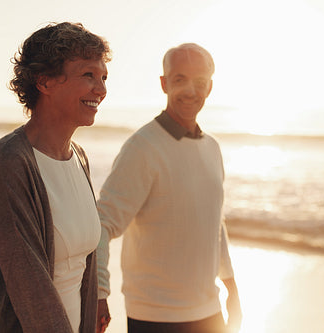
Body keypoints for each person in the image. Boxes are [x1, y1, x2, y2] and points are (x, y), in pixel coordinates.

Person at [0, 22, 111, 333]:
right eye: (88, 75)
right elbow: (27, 281)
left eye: (104, 77)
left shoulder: (78, 157)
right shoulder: (7, 162)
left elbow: (81, 267)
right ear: (44, 81)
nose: (101, 89)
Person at [96, 43, 242, 333]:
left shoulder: (212, 148)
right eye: (180, 79)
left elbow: (215, 225)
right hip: (155, 317)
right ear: (164, 83)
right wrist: (100, 294)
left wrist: (232, 288)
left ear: (210, 88)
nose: (190, 90)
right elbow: (102, 224)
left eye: (200, 82)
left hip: (209, 312)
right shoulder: (142, 148)